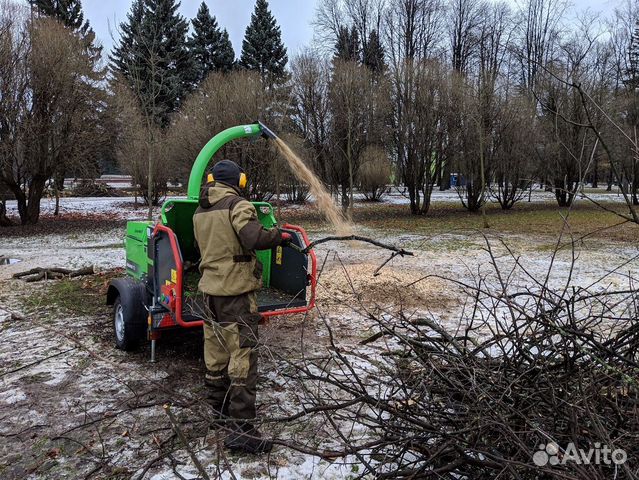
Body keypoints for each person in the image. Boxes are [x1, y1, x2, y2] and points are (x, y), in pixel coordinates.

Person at [193, 159, 291, 454]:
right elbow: (253, 237)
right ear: (240, 181)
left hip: (210, 293)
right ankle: (242, 431)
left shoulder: (201, 210)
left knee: (216, 356)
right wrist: (279, 236)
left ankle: (219, 416)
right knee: (243, 359)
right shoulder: (238, 205)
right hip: (236, 292)